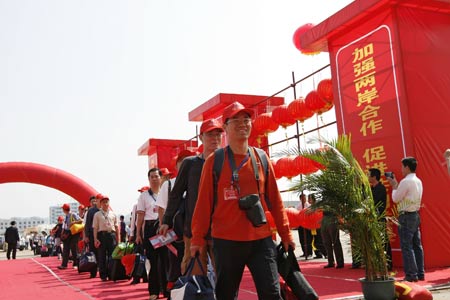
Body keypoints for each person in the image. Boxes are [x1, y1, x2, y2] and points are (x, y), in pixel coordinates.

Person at [190, 101, 295, 300]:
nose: (242, 124)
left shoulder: (261, 158)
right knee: (226, 295)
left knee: (272, 293)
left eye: (246, 119)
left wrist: (286, 234)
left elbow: (276, 200)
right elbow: (203, 205)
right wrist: (197, 240)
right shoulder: (214, 161)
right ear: (226, 128)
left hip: (261, 240)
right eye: (235, 120)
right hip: (226, 242)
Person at [159, 119, 224, 276]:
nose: (215, 138)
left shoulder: (226, 162)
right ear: (201, 137)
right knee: (192, 271)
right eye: (210, 135)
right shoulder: (190, 164)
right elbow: (176, 194)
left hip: (220, 229)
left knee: (225, 275)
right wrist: (167, 220)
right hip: (194, 230)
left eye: (218, 134)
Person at [156, 151, 193, 292]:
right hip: (174, 235)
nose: (186, 163)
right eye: (182, 161)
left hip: (195, 231)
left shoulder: (199, 181)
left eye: (189, 160)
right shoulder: (169, 185)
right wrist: (162, 227)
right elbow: (162, 209)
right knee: (175, 265)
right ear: (177, 166)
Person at [387, 157, 425, 282]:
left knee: (407, 246)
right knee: (417, 245)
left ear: (407, 167)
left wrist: (394, 187)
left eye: (402, 167)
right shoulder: (418, 180)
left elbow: (396, 198)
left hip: (406, 216)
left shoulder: (405, 181)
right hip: (415, 214)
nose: (401, 169)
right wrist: (397, 185)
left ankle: (411, 275)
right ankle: (420, 273)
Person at [135, 168, 167, 300]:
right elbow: (140, 217)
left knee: (165, 260)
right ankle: (153, 291)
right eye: (152, 177)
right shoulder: (143, 196)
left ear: (161, 178)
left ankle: (166, 290)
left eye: (156, 176)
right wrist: (138, 234)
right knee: (153, 262)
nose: (154, 179)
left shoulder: (165, 192)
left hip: (164, 228)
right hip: (150, 229)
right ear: (148, 179)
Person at [368, 168, 392, 270]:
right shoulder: (371, 188)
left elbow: (373, 202)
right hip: (372, 219)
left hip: (379, 218)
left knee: (383, 241)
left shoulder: (380, 188)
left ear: (374, 177)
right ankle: (378, 263)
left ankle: (388, 263)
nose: (367, 177)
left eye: (369, 175)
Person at [93, 194, 120, 281]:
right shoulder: (97, 214)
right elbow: (95, 228)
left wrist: (118, 239)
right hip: (102, 236)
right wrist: (95, 239)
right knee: (102, 256)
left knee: (112, 256)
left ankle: (111, 273)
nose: (105, 204)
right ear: (100, 204)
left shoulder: (113, 214)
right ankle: (103, 275)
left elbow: (116, 227)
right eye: (103, 202)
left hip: (111, 235)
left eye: (107, 202)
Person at [58, 203, 83, 270]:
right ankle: (64, 265)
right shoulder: (66, 216)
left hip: (73, 233)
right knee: (66, 249)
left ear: (64, 209)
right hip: (67, 233)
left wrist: (73, 222)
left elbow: (81, 220)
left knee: (73, 248)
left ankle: (76, 264)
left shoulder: (73, 214)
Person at [84, 195, 100, 278]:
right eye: (93, 201)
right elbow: (87, 224)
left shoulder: (104, 210)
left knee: (102, 254)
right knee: (93, 254)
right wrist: (86, 236)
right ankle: (93, 272)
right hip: (92, 236)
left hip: (101, 235)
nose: (94, 202)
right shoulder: (90, 211)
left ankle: (102, 272)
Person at [296, 193, 312, 259]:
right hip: (300, 224)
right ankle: (304, 252)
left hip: (308, 224)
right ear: (300, 199)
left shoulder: (309, 205)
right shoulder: (298, 206)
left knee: (308, 239)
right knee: (302, 239)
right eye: (302, 198)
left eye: (305, 198)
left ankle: (309, 252)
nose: (304, 199)